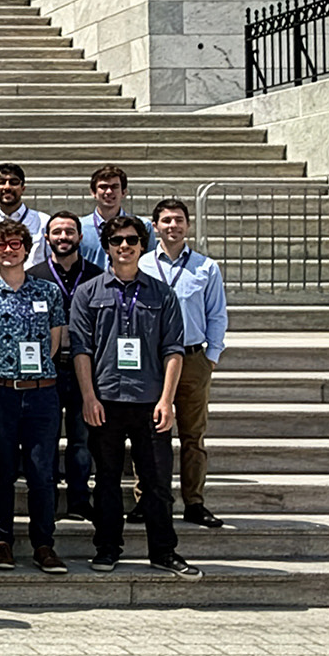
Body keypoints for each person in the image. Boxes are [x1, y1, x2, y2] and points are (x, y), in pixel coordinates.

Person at [71, 215, 200, 578]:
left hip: (149, 402)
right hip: (106, 400)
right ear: (107, 245)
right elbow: (81, 349)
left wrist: (167, 400)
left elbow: (173, 350)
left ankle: (164, 551)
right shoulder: (89, 292)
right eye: (116, 240)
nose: (123, 246)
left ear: (142, 244)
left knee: (157, 482)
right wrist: (88, 397)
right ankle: (108, 548)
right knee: (108, 480)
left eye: (130, 240)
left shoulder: (162, 293)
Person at [0, 220, 68, 574]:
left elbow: (55, 341)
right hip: (0, 393)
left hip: (42, 393)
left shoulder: (48, 292)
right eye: (1, 245)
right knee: (3, 469)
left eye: (15, 244)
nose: (9, 250)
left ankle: (43, 543)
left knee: (42, 471)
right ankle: (1, 540)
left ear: (26, 249)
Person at [139, 198, 229, 529]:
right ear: (155, 226)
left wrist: (211, 357)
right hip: (151, 362)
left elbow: (217, 314)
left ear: (188, 225)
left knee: (193, 436)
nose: (173, 226)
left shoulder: (206, 267)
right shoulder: (143, 264)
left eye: (179, 220)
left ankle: (194, 501)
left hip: (193, 359)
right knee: (148, 435)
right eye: (166, 220)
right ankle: (144, 499)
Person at [29, 211, 103, 523]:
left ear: (80, 237)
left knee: (81, 440)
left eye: (69, 232)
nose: (63, 237)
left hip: (86, 368)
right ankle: (47, 498)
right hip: (47, 368)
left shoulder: (97, 275)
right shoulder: (35, 276)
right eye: (57, 232)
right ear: (47, 238)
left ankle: (78, 498)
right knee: (44, 439)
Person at [0, 162, 49, 288]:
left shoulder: (43, 222)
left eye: (13, 182)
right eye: (1, 182)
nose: (7, 187)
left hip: (35, 291)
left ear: (23, 188)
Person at [79, 165, 133, 267]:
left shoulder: (142, 226)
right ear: (93, 192)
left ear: (124, 192)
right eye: (103, 187)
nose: (108, 192)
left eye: (114, 187)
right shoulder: (80, 227)